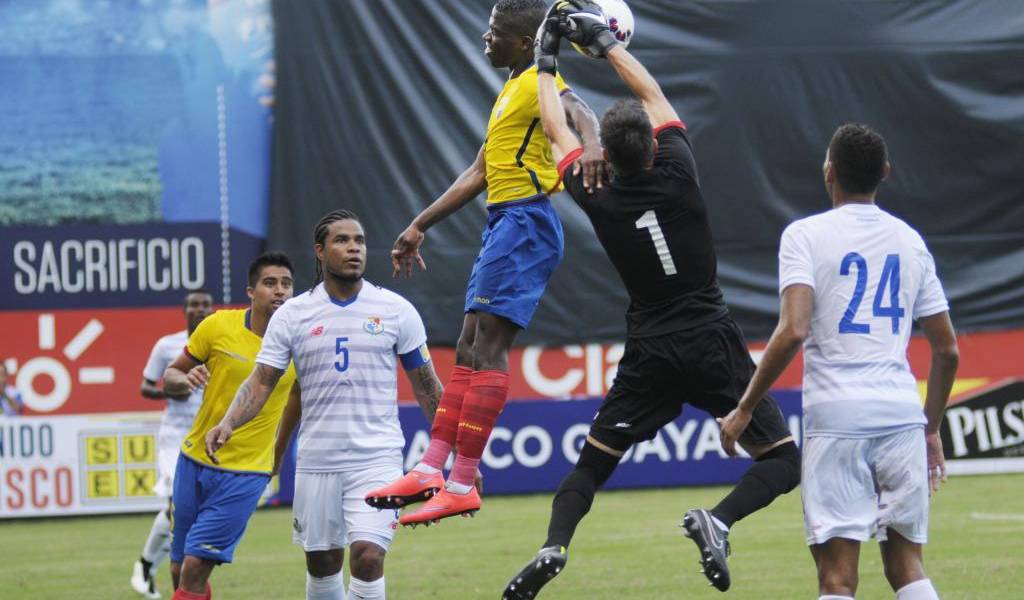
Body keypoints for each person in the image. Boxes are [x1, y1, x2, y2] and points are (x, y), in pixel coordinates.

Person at [503, 4, 801, 597]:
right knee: (785, 461)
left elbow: (558, 128)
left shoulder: (596, 194)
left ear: (605, 157)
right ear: (655, 146)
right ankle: (718, 519)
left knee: (592, 463)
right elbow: (653, 93)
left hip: (650, 351)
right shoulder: (680, 172)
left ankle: (554, 545)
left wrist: (545, 56)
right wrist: (607, 45)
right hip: (710, 338)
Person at [365, 0, 606, 526]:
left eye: (495, 31)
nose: (485, 37)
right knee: (469, 346)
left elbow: (580, 112)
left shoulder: (542, 84)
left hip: (526, 222)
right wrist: (420, 224)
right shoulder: (513, 89)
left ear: (524, 43)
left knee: (487, 348)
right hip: (505, 222)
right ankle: (433, 470)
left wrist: (591, 145)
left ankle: (461, 480)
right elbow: (479, 170)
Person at [718, 124, 959, 600]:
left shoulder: (804, 236)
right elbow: (947, 349)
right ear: (885, 173)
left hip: (838, 419)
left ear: (828, 171)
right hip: (900, 417)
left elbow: (793, 329)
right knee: (908, 567)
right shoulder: (909, 240)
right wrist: (930, 429)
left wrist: (745, 407)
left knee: (837, 579)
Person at [205, 209, 445, 600]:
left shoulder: (396, 310)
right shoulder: (293, 315)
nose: (354, 248)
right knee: (322, 565)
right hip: (318, 462)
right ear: (320, 250)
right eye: (342, 240)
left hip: (377, 459)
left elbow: (428, 387)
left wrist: (459, 452)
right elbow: (263, 381)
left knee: (368, 558)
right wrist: (229, 423)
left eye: (360, 241)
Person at [162, 252, 298, 600]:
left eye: (286, 284)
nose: (280, 291)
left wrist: (277, 458)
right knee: (179, 570)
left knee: (194, 568)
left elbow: (294, 404)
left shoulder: (300, 344)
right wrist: (183, 379)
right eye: (270, 283)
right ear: (251, 291)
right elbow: (171, 375)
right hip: (193, 462)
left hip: (246, 473)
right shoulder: (217, 325)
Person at [131, 289, 215, 599]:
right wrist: (172, 392)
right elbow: (145, 387)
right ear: (185, 310)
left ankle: (148, 565)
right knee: (174, 505)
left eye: (205, 304)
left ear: (212, 308)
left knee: (190, 511)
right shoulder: (167, 345)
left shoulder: (220, 343)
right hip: (175, 437)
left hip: (209, 437)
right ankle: (146, 565)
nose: (200, 309)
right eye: (194, 304)